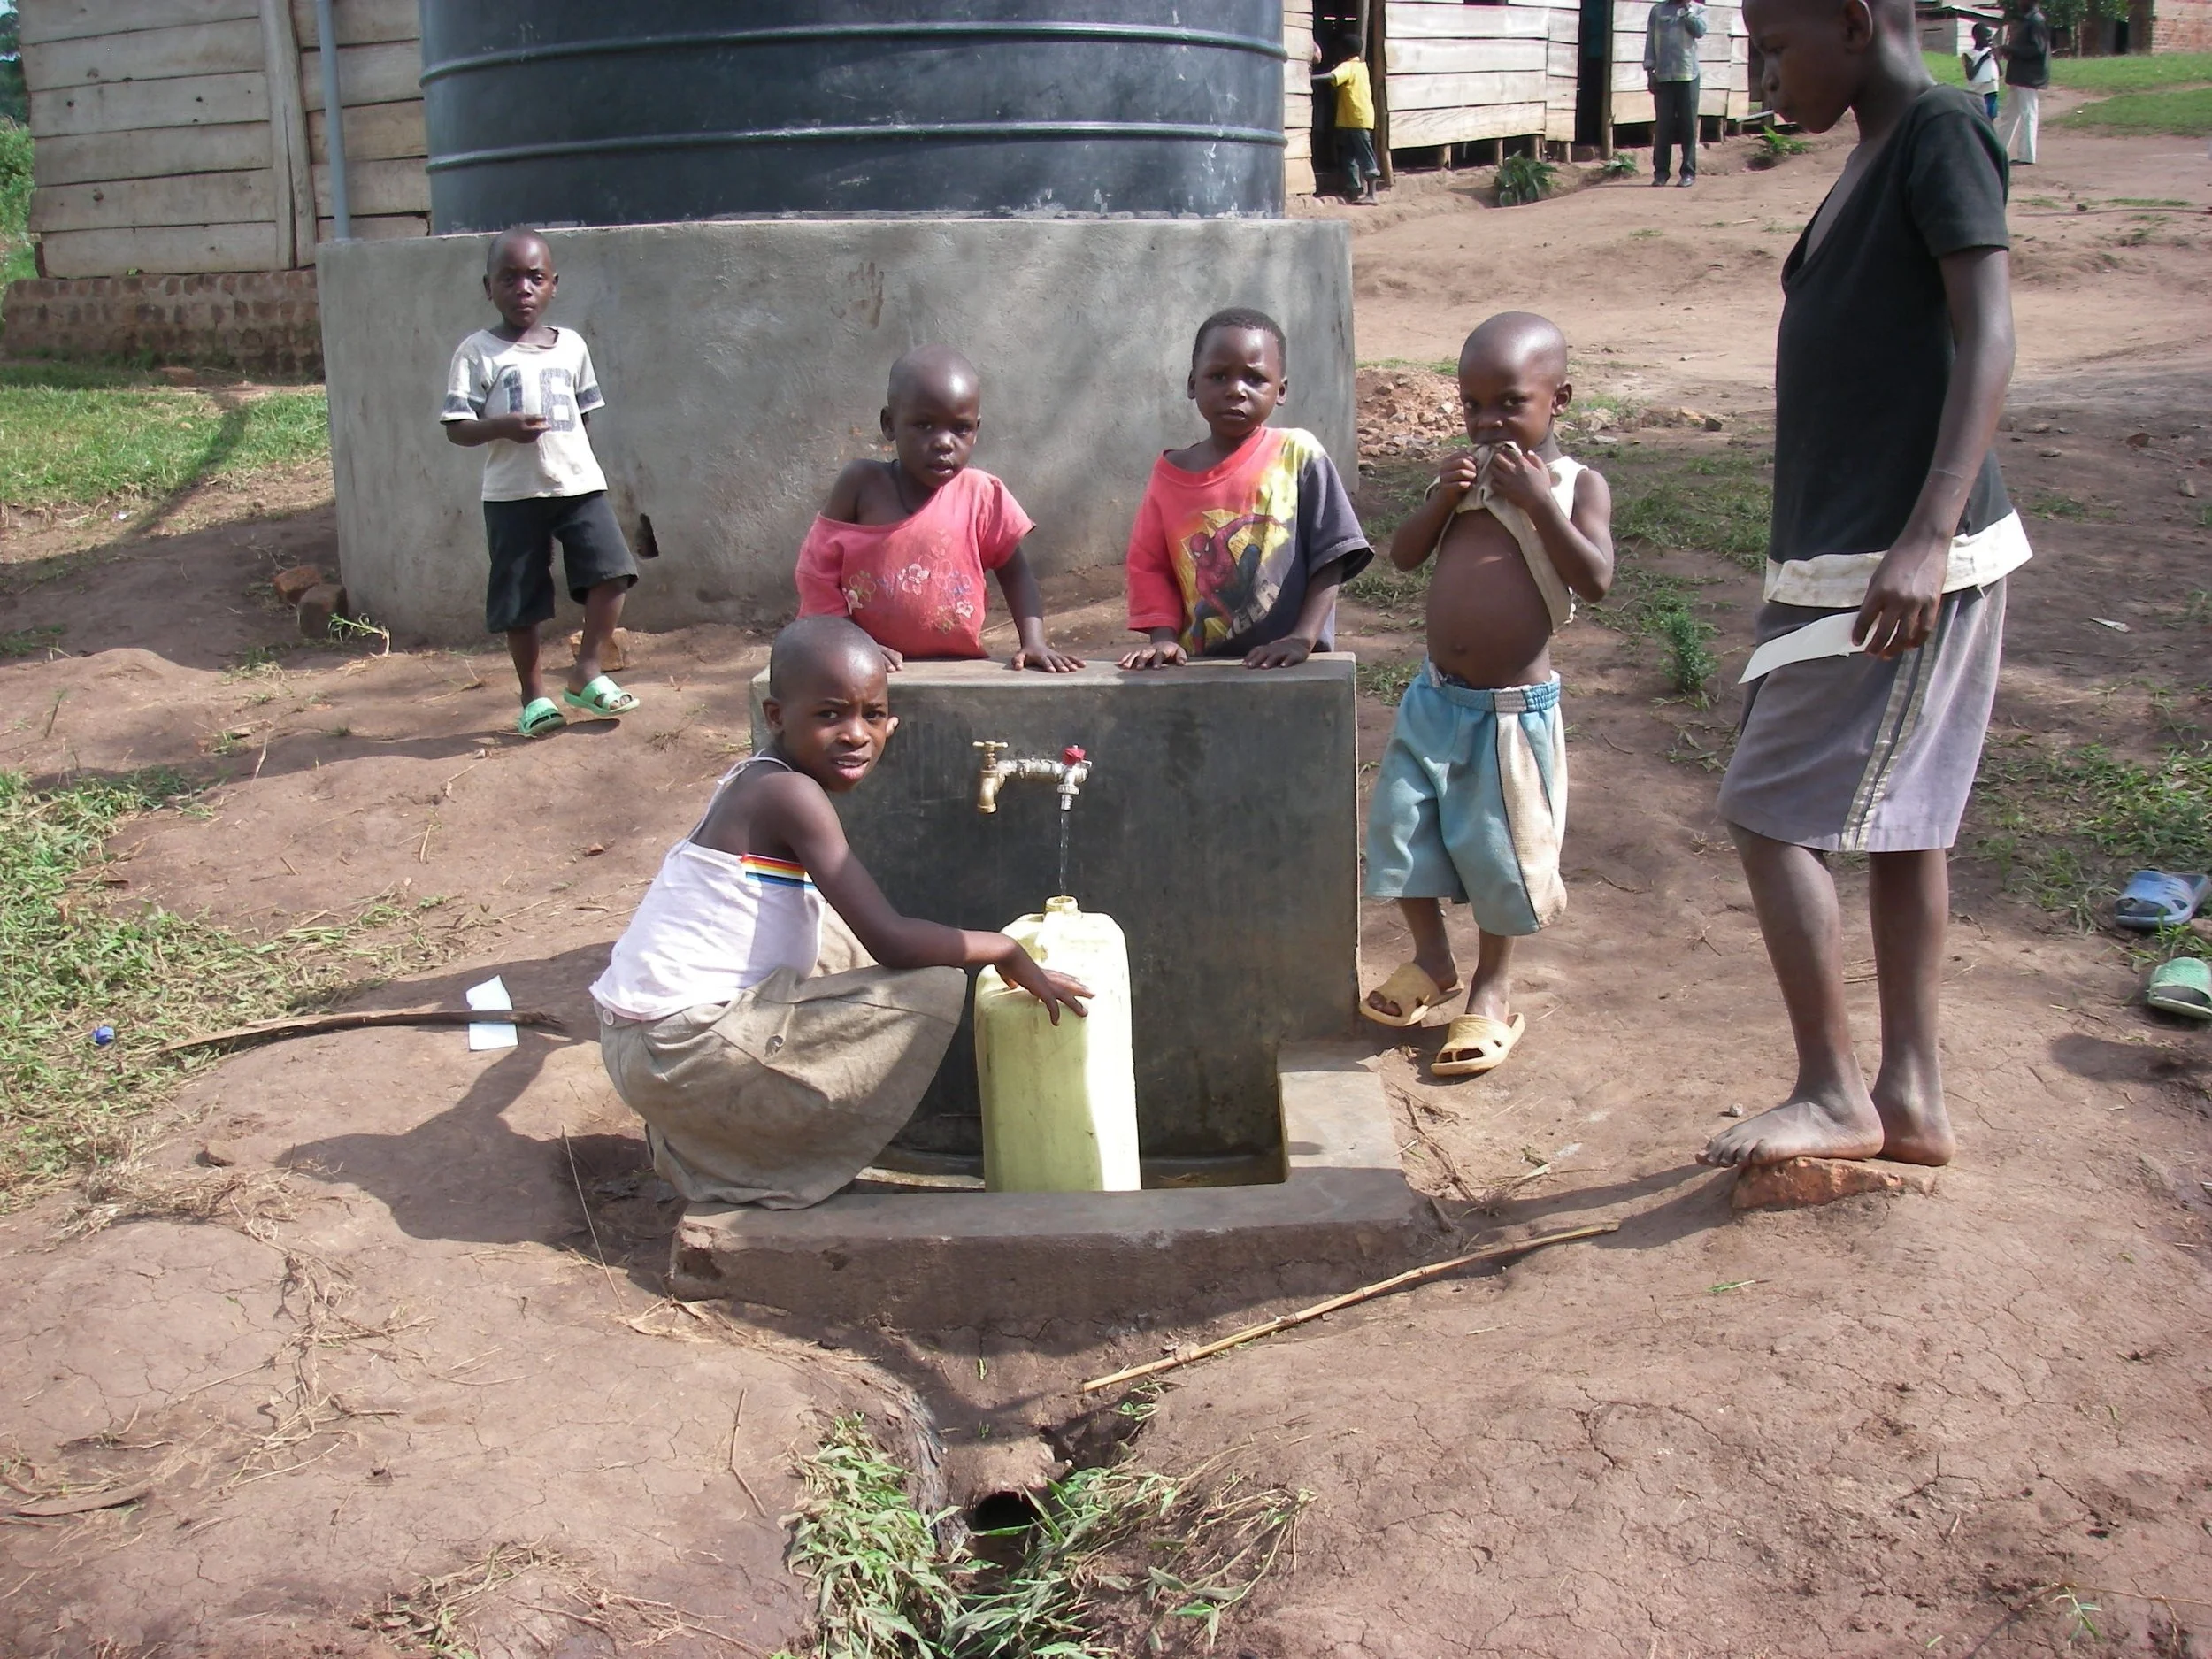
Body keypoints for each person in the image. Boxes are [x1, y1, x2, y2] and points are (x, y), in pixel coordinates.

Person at [1703, 0, 2028, 1171]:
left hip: (1900, 559)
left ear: (1854, 23)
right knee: (1902, 826)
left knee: (1766, 802)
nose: (1762, 71)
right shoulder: (1872, 152)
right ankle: (1913, 1095)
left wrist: (1929, 533)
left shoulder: (1941, 127)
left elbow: (1988, 331)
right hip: (1840, 555)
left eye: (1775, 45)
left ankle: (1836, 1091)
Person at [590, 617, 1092, 1209]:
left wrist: (851, 714)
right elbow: (893, 943)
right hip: (675, 1053)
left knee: (831, 934)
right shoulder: (791, 795)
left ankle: (713, 1140)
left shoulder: (759, 780)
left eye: (873, 715)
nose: (856, 735)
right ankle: (758, 1165)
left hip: (643, 1045)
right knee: (930, 988)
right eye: (830, 715)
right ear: (777, 717)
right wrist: (1006, 950)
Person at [1359, 314, 1615, 1079]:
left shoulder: (1575, 484)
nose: (1488, 421)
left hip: (1510, 716)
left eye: (1509, 402)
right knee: (1400, 829)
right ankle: (1432, 961)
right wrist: (1441, 499)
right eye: (1473, 405)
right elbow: (1403, 557)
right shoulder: (1464, 475)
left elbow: (1595, 580)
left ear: (1558, 398)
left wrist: (1540, 503)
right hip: (1435, 701)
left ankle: (1492, 989)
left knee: (1498, 856)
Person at [442, 228, 641, 737]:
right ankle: (533, 695)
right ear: (488, 288)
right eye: (508, 279)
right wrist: (502, 428)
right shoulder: (476, 352)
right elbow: (458, 429)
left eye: (535, 277)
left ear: (554, 284)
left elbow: (583, 417)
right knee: (520, 601)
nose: (523, 288)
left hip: (578, 484)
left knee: (613, 573)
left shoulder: (571, 346)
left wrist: (571, 459)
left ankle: (587, 670)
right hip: (512, 495)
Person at [795, 345, 1082, 672]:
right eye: (924, 425)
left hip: (957, 667)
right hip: (863, 666)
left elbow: (1015, 572)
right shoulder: (863, 485)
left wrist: (1033, 641)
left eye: (960, 428)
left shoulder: (981, 495)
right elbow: (815, 572)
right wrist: (849, 641)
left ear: (976, 429)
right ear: (890, 424)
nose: (945, 442)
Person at [1119, 308, 1371, 671]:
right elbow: (1150, 567)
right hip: (1202, 673)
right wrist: (1163, 639)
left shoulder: (1297, 454)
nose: (1235, 390)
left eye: (1255, 379)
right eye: (1218, 376)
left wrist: (1303, 637)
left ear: (1280, 390)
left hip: (1293, 665)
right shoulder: (1169, 476)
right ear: (1192, 384)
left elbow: (1332, 556)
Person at [1311, 31, 1381, 204]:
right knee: (1349, 155)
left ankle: (1372, 194)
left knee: (1365, 155)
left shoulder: (1348, 66)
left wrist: (1311, 78)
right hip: (1354, 118)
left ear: (1345, 50)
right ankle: (1354, 189)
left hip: (1356, 119)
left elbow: (1332, 76)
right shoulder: (1362, 67)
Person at [1645, 0, 1709, 186]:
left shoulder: (1698, 9)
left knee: (1688, 125)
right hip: (1663, 76)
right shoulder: (1657, 11)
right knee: (1663, 127)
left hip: (1688, 74)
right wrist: (1650, 71)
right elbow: (1650, 40)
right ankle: (1661, 173)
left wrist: (1687, 10)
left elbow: (1700, 31)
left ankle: (1688, 173)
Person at [1996, 0, 2048, 165]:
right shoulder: (2028, 20)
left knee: (2028, 114)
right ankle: (1998, 151)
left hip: (2028, 76)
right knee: (2008, 115)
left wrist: (2010, 50)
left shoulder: (2036, 21)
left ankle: (2027, 156)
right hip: (2019, 75)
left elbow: (2037, 49)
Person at [1962, 21, 2001, 121]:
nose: (1990, 39)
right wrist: (1982, 59)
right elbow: (1970, 75)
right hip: (1977, 92)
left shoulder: (1991, 52)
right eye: (1987, 36)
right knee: (1978, 117)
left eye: (1991, 36)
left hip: (1991, 90)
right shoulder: (1969, 54)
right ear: (1976, 37)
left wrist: (1996, 57)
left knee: (1990, 117)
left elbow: (2000, 72)